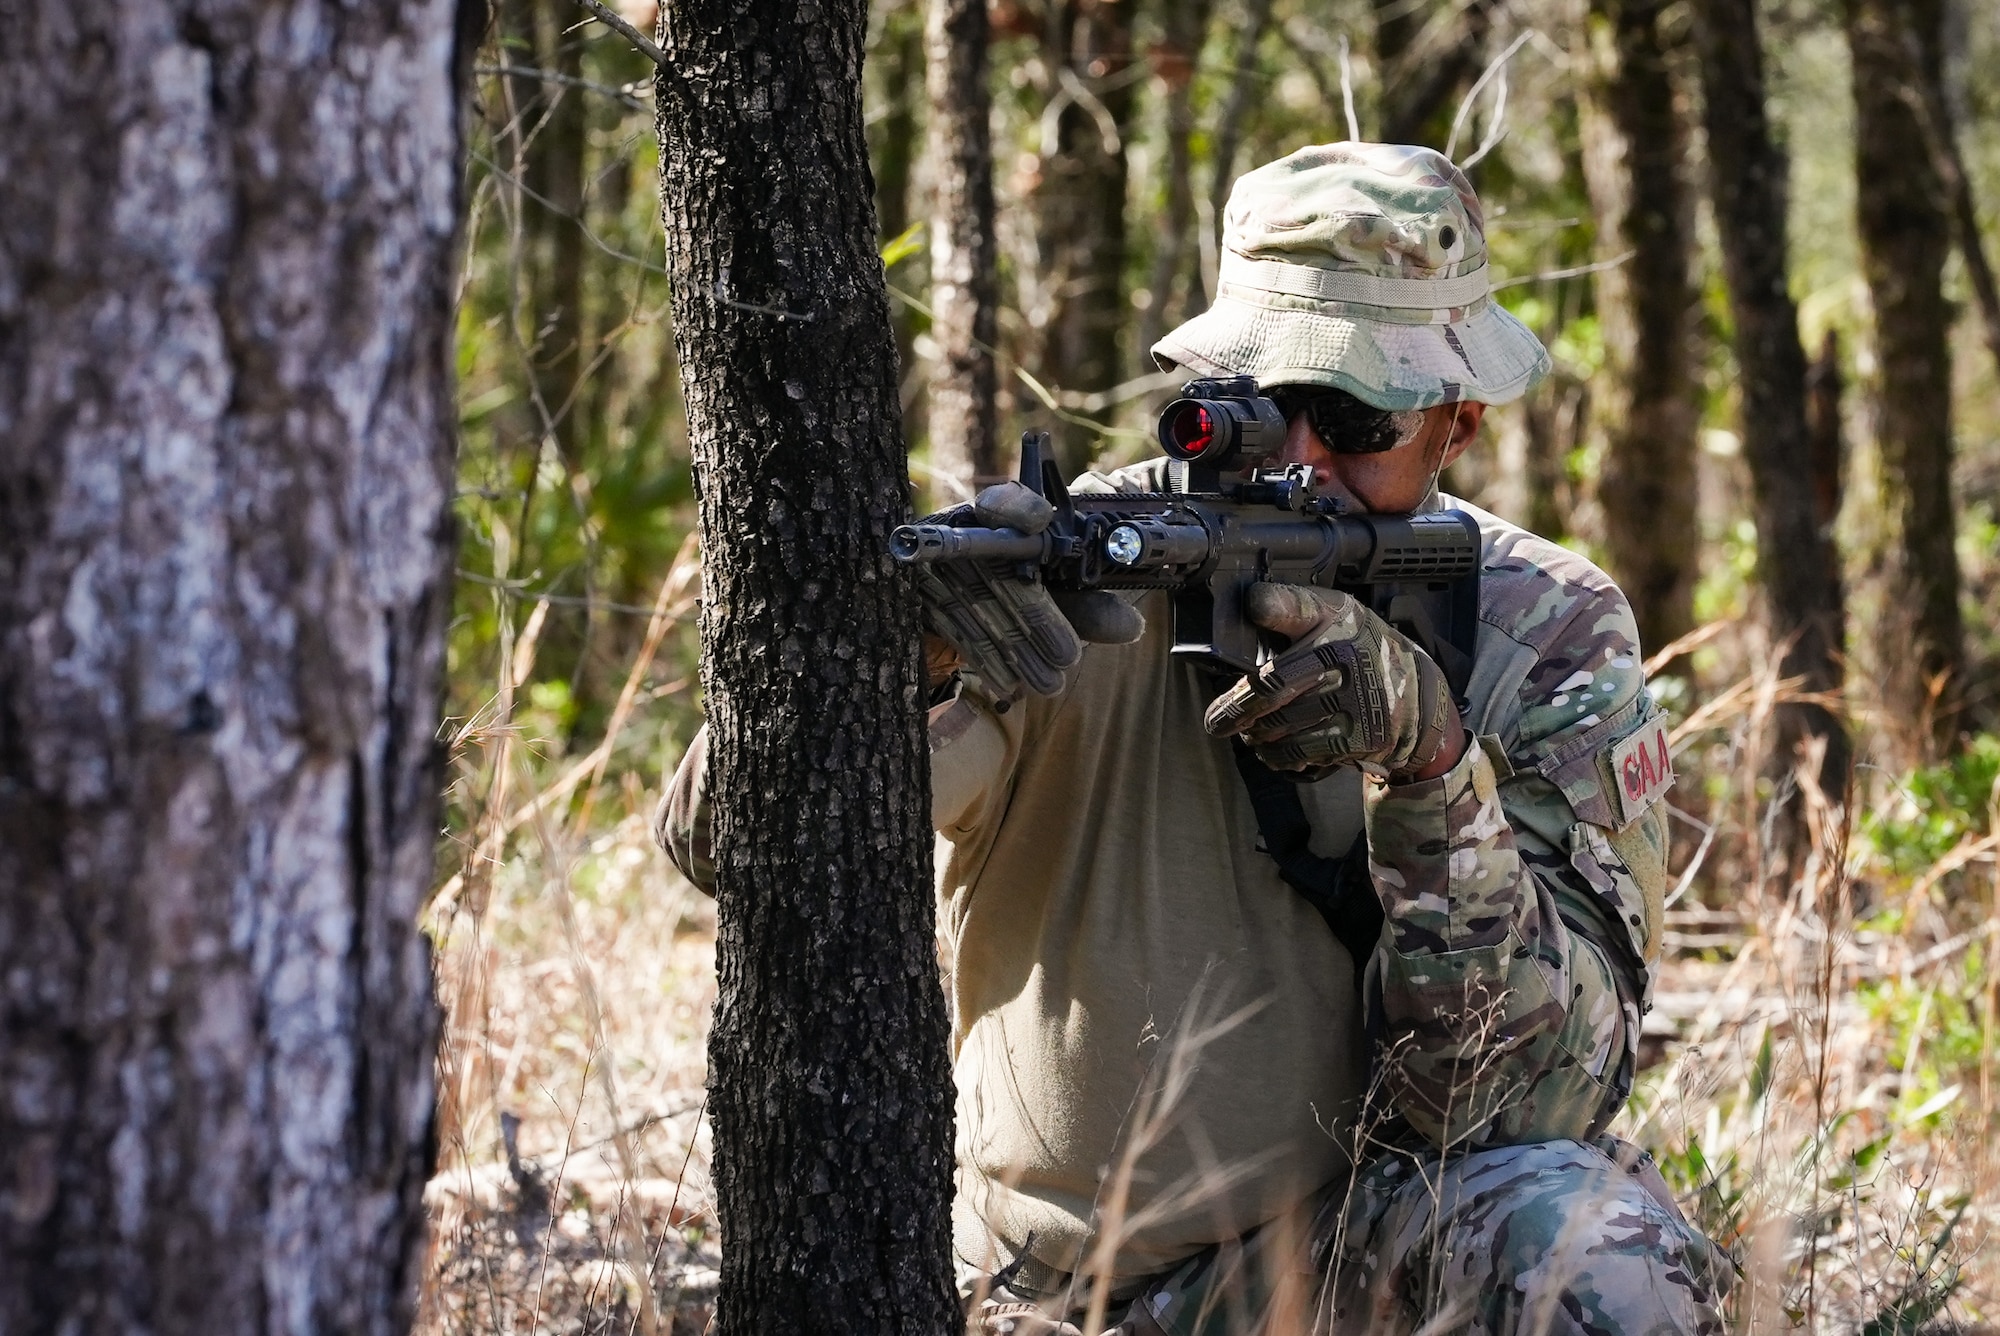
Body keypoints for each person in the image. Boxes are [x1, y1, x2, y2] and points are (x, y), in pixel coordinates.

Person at [657, 143, 1731, 1334]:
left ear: (1455, 421)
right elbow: (727, 843)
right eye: (1265, 409)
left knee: (1599, 1262)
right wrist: (898, 660)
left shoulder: (1541, 629)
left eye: (1357, 415)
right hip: (1039, 1297)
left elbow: (1526, 1100)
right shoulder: (1064, 579)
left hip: (1331, 1264)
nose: (1304, 464)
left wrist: (1430, 772)